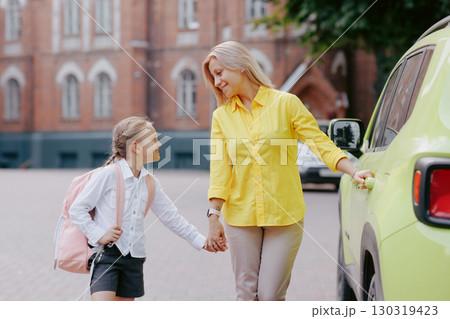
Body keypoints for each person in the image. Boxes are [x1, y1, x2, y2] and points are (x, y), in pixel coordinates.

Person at [201, 41, 372, 301]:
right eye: (213, 76)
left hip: (284, 214)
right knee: (246, 294)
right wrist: (213, 216)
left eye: (220, 72)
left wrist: (352, 170)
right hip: (240, 216)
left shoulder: (286, 104)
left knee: (270, 297)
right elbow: (220, 169)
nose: (217, 81)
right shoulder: (221, 116)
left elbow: (320, 143)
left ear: (240, 66)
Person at [69, 116, 210, 301]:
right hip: (108, 257)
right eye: (153, 140)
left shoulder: (150, 182)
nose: (159, 144)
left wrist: (201, 240)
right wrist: (99, 234)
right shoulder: (109, 174)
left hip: (134, 260)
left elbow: (171, 217)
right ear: (135, 147)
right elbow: (77, 209)